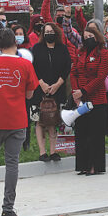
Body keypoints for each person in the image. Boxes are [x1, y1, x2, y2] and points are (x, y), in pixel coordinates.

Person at [0, 28, 38, 216]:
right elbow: (29, 94)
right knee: (12, 163)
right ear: (15, 43)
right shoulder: (26, 65)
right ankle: (8, 209)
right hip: (16, 120)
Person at [71, 26, 108, 175]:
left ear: (97, 37)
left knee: (95, 134)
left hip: (96, 99)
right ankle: (83, 165)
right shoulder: (80, 52)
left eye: (90, 36)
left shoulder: (104, 53)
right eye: (85, 36)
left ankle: (95, 165)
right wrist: (76, 92)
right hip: (80, 99)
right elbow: (73, 72)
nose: (87, 39)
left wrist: (84, 90)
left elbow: (101, 77)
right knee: (81, 133)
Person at [31, 23, 71, 162]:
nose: (49, 33)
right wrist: (41, 83)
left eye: (51, 31)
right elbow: (32, 67)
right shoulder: (36, 48)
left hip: (57, 90)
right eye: (46, 31)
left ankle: (54, 151)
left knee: (53, 121)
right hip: (39, 90)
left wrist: (58, 83)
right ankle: (42, 152)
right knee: (39, 121)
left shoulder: (62, 49)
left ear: (56, 33)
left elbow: (67, 67)